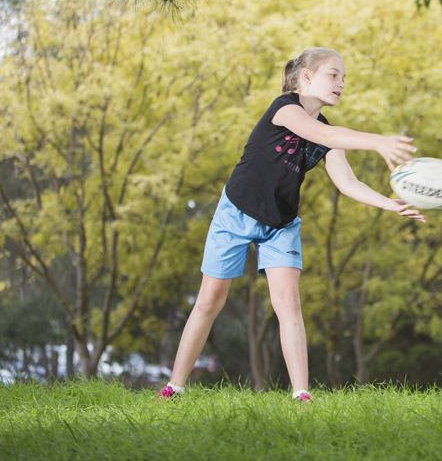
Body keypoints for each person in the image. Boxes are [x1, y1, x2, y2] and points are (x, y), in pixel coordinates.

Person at [158, 47, 425, 402]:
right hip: (236, 211)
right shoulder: (285, 109)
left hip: (281, 223)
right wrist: (378, 142)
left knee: (289, 306)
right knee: (209, 301)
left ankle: (301, 394)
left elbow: (348, 184)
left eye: (344, 78)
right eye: (334, 74)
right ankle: (174, 386)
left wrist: (390, 204)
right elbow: (328, 137)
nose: (341, 83)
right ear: (306, 78)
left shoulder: (327, 134)